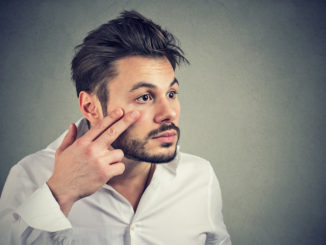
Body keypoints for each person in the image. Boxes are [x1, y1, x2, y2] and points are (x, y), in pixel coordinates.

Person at [0, 10, 231, 245]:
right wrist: (60, 194)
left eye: (171, 93)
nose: (169, 113)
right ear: (91, 107)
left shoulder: (200, 177)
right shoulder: (31, 176)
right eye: (144, 97)